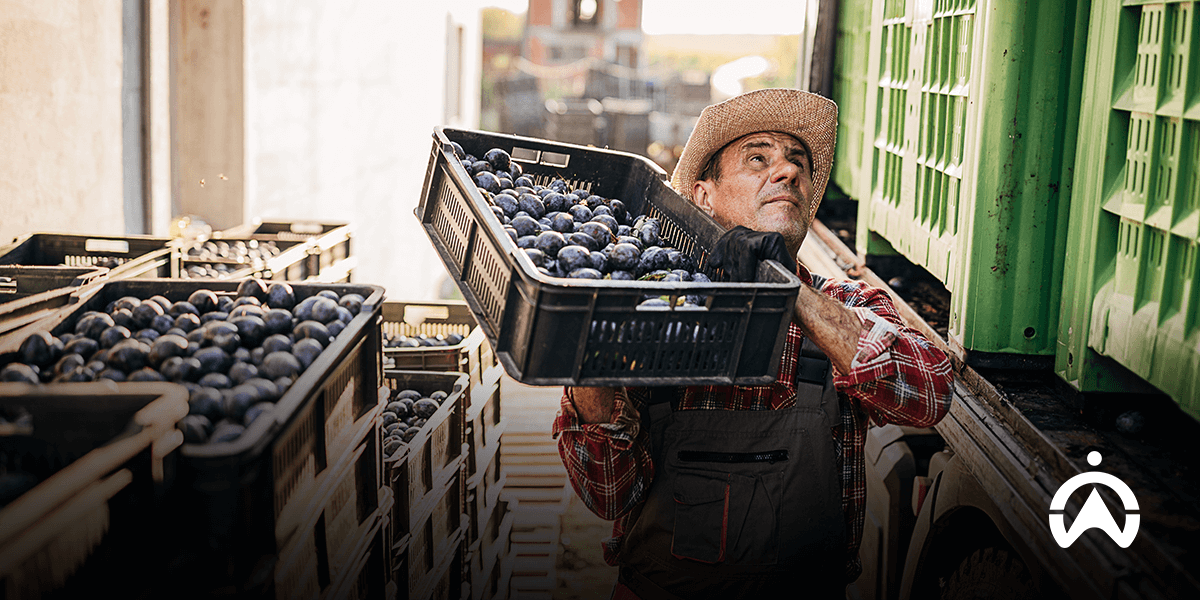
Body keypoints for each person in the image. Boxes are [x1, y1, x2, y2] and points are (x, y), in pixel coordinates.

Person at [551, 88, 955, 600]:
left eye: (798, 162)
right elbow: (607, 492)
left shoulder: (846, 305)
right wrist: (590, 354)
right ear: (703, 196)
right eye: (758, 159)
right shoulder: (648, 308)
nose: (787, 172)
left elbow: (931, 394)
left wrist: (786, 288)